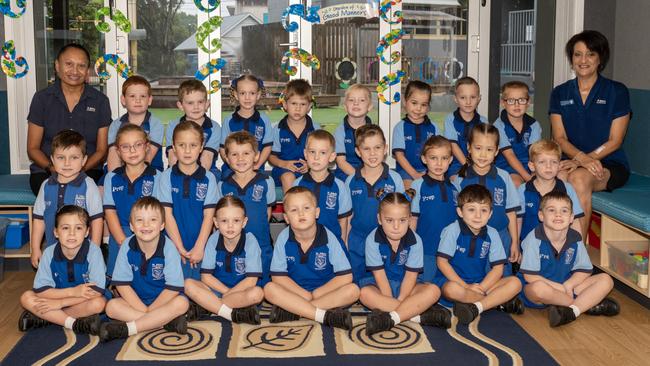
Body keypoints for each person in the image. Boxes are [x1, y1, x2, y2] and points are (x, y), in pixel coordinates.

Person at [550, 30, 632, 240]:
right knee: (554, 176)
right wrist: (580, 159)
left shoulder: (617, 91)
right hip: (572, 160)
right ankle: (551, 247)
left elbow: (615, 140)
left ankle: (578, 254)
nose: (583, 60)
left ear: (600, 58)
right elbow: (559, 138)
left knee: (577, 178)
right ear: (571, 59)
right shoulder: (560, 93)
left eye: (590, 54)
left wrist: (585, 161)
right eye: (577, 55)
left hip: (609, 163)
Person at [264, 187, 359, 330]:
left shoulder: (329, 237)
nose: (301, 213)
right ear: (286, 218)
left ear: (317, 212)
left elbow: (345, 277)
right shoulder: (283, 238)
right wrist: (305, 295)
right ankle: (322, 315)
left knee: (353, 291)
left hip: (325, 293)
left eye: (306, 208)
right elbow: (278, 277)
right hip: (296, 292)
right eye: (294, 210)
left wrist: (315, 294)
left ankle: (296, 311)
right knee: (269, 289)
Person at [519, 191, 619, 327]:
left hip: (567, 287)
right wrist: (559, 287)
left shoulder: (575, 238)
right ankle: (585, 305)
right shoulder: (534, 239)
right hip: (540, 291)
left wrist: (569, 285)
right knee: (539, 289)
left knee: (606, 280)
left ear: (571, 217)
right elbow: (530, 277)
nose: (558, 214)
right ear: (541, 216)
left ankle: (572, 312)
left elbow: (584, 270)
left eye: (564, 211)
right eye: (551, 210)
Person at [360, 190, 451, 336]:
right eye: (389, 220)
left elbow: (411, 276)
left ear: (409, 219)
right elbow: (379, 275)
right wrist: (390, 299)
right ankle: (418, 315)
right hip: (381, 285)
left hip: (409, 287)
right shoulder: (372, 239)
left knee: (434, 290)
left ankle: (392, 318)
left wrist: (401, 299)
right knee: (364, 294)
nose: (396, 226)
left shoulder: (416, 240)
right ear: (379, 219)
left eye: (402, 220)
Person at [100, 197, 189, 342]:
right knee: (111, 307)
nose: (146, 225)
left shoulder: (169, 247)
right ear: (132, 226)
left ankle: (128, 329)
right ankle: (164, 323)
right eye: (139, 220)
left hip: (163, 302)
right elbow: (122, 286)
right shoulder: (127, 246)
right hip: (136, 302)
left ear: (162, 225)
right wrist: (145, 311)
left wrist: (151, 310)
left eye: (153, 220)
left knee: (182, 303)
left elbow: (173, 288)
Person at [27, 43, 112, 194]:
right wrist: (54, 169)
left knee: (81, 193)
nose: (75, 71)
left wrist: (79, 169)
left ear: (87, 71)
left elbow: (101, 150)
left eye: (81, 65)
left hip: (87, 170)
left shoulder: (100, 101)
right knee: (53, 194)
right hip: (47, 171)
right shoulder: (42, 99)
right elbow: (32, 148)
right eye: (69, 64)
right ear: (57, 66)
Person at [434, 185, 524, 324]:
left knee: (515, 283)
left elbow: (498, 268)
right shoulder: (452, 230)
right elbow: (442, 262)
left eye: (483, 210)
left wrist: (482, 287)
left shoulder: (492, 233)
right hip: (455, 283)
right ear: (460, 212)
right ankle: (496, 303)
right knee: (452, 290)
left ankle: (477, 306)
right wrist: (465, 286)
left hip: (482, 284)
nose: (478, 215)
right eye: (471, 210)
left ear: (490, 214)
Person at [19, 205, 106, 335]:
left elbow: (96, 292)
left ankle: (46, 318)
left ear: (87, 232)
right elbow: (41, 291)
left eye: (78, 228)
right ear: (56, 232)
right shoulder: (49, 253)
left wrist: (60, 304)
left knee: (98, 304)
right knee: (26, 297)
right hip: (56, 298)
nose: (72, 233)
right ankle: (73, 324)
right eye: (65, 228)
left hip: (82, 302)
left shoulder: (94, 252)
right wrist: (72, 292)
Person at [184, 196, 264, 324]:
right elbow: (206, 277)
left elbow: (251, 280)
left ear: (244, 222)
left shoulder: (250, 241)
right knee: (188, 284)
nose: (230, 226)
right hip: (217, 290)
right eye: (224, 221)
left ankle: (210, 307)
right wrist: (227, 293)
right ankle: (232, 314)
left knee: (257, 294)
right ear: (216, 222)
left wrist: (230, 294)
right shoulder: (213, 240)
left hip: (241, 292)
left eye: (236, 220)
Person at [31, 130, 104, 267]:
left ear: (84, 160)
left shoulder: (89, 185)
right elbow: (39, 220)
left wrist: (94, 251)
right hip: (53, 252)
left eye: (74, 158)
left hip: (83, 253)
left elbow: (97, 220)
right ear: (52, 160)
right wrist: (35, 248)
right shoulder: (46, 186)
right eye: (60, 158)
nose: (67, 163)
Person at [456, 124, 521, 276]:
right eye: (478, 148)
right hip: (470, 238)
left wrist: (515, 242)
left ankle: (500, 299)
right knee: (473, 277)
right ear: (469, 148)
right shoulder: (460, 179)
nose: (483, 155)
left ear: (497, 151)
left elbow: (511, 212)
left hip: (501, 236)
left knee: (503, 279)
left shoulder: (504, 177)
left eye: (489, 149)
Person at [157, 121, 218, 280]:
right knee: (177, 290)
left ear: (201, 147)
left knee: (201, 288)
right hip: (173, 246)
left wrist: (199, 247)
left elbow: (209, 217)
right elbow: (167, 215)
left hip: (201, 246)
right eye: (182, 145)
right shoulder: (166, 177)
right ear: (173, 147)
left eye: (193, 145)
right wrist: (178, 247)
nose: (187, 150)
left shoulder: (209, 178)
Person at [345, 124, 404, 283]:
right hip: (357, 240)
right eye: (366, 149)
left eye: (377, 147)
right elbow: (348, 216)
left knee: (383, 283)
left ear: (385, 148)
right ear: (358, 151)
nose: (372, 153)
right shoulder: (351, 181)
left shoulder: (395, 179)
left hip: (385, 239)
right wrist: (345, 242)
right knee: (356, 284)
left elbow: (402, 213)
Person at [217, 131, 275, 284]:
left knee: (262, 288)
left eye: (246, 153)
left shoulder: (266, 181)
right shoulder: (223, 186)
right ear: (227, 158)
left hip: (261, 245)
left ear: (256, 156)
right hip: (233, 246)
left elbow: (267, 211)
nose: (240, 159)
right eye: (234, 154)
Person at [103, 124, 160, 276]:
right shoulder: (111, 178)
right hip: (120, 235)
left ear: (147, 146)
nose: (132, 151)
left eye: (138, 145)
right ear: (118, 151)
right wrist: (122, 241)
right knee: (119, 285)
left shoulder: (158, 177)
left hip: (149, 236)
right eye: (126, 147)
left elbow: (159, 215)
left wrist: (143, 240)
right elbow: (110, 212)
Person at [411, 136, 459, 282]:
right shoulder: (417, 185)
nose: (439, 163)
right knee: (424, 286)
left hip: (450, 251)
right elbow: (413, 218)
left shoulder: (455, 187)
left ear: (450, 160)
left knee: (448, 286)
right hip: (426, 249)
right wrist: (411, 246)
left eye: (444, 158)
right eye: (433, 158)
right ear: (424, 159)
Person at [517, 140, 583, 242]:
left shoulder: (567, 189)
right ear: (532, 166)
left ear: (559, 165)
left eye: (554, 162)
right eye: (542, 162)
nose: (549, 166)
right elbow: (518, 221)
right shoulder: (523, 190)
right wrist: (515, 246)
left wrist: (579, 247)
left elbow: (575, 221)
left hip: (559, 247)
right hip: (529, 248)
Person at [294, 130, 352, 240]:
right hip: (304, 243)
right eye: (312, 152)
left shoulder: (339, 186)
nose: (316, 157)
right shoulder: (297, 185)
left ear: (332, 156)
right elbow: (294, 218)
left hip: (332, 245)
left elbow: (343, 220)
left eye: (323, 153)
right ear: (305, 154)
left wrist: (342, 246)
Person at [268, 79, 321, 192]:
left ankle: (311, 209)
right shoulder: (277, 129)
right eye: (293, 103)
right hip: (283, 170)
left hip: (309, 168)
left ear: (309, 106)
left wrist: (310, 165)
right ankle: (291, 208)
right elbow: (271, 157)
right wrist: (284, 164)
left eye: (302, 104)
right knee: (288, 177)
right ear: (285, 105)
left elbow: (322, 155)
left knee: (319, 177)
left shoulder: (315, 129)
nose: (298, 108)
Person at [106, 75, 164, 172]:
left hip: (149, 170)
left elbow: (148, 157)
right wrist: (115, 178)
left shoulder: (155, 124)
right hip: (120, 171)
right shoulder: (116, 125)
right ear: (123, 100)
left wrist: (133, 179)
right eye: (132, 96)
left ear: (149, 100)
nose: (138, 100)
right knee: (102, 186)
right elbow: (113, 156)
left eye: (143, 96)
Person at [219, 74, 273, 178]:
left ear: (258, 95)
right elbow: (222, 147)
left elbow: (267, 146)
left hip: (256, 169)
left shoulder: (264, 120)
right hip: (232, 170)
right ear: (236, 94)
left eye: (252, 93)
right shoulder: (229, 120)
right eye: (243, 93)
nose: (247, 97)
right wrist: (231, 165)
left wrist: (257, 165)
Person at [166, 79, 221, 179]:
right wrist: (181, 179)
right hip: (177, 169)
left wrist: (192, 180)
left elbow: (207, 158)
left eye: (200, 102)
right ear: (181, 106)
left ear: (207, 104)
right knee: (166, 177)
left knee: (215, 177)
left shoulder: (214, 127)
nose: (196, 107)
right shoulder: (173, 126)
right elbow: (172, 156)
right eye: (190, 103)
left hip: (206, 170)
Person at [392, 80, 438, 189]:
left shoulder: (434, 128)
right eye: (414, 103)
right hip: (406, 172)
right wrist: (415, 174)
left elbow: (439, 153)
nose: (418, 108)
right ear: (405, 101)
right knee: (410, 192)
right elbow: (399, 156)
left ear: (428, 106)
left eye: (423, 104)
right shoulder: (400, 127)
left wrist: (431, 172)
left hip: (430, 171)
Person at [494, 81, 541, 186]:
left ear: (528, 103)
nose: (517, 104)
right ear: (503, 103)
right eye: (511, 100)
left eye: (522, 100)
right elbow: (509, 155)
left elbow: (535, 153)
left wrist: (534, 173)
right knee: (515, 183)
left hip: (529, 165)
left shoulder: (534, 125)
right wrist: (528, 178)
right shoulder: (498, 126)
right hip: (507, 166)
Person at [443, 77, 487, 178]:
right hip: (455, 165)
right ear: (456, 99)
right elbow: (453, 145)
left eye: (472, 97)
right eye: (463, 98)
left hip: (479, 164)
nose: (468, 102)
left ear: (479, 99)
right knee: (458, 182)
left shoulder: (483, 122)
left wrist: (477, 166)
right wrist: (468, 166)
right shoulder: (450, 119)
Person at [334, 84, 374, 181]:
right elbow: (341, 162)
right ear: (345, 106)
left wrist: (369, 176)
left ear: (369, 107)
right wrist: (359, 177)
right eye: (351, 100)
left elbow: (376, 158)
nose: (356, 103)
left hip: (369, 172)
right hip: (345, 174)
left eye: (362, 100)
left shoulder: (374, 132)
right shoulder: (340, 131)